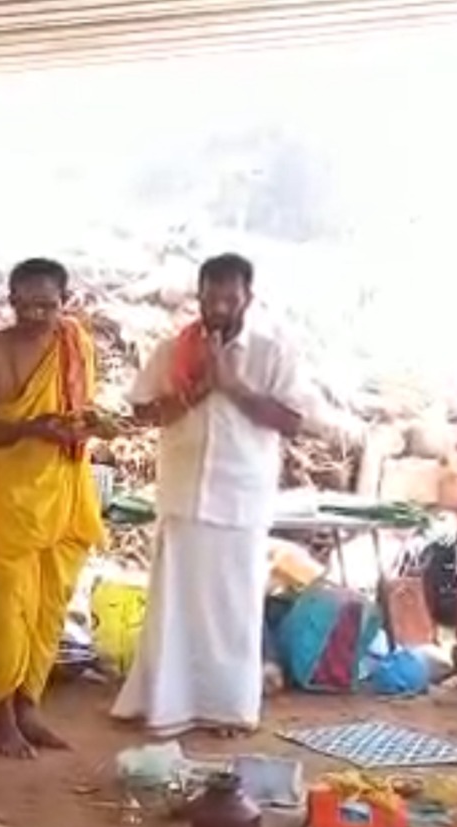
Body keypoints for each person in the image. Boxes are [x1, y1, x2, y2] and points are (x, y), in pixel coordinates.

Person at [112, 253, 308, 738]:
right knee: (174, 607)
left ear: (248, 298)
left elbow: (293, 421)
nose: (219, 307)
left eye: (229, 298)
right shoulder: (174, 350)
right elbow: (141, 413)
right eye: (211, 297)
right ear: (198, 296)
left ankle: (227, 709)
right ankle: (166, 705)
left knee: (233, 611)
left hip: (239, 499)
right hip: (182, 494)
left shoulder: (272, 352)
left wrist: (233, 387)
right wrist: (196, 389)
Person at [0, 257, 105, 758]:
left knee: (50, 604)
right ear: (11, 300)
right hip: (11, 499)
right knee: (8, 607)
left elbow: (80, 410)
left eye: (49, 305)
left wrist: (88, 426)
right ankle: (2, 715)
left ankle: (29, 707)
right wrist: (28, 428)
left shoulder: (75, 343)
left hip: (64, 486)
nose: (38, 316)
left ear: (65, 303)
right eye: (27, 305)